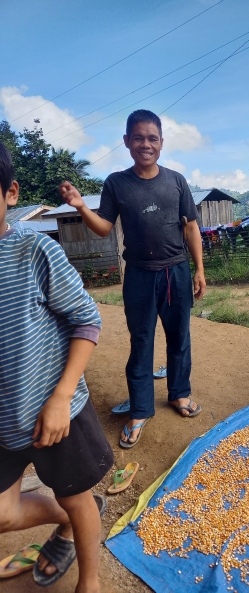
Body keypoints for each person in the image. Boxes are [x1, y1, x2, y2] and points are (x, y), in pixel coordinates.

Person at [0, 142, 114, 592]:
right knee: (3, 514)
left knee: (76, 497)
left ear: (10, 193)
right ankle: (64, 518)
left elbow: (87, 320)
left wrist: (62, 397)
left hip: (54, 411)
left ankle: (91, 581)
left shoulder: (34, 251)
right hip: (2, 422)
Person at [59, 109, 206, 449]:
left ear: (162, 142)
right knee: (141, 341)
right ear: (126, 141)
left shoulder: (176, 181)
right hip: (139, 274)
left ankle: (179, 393)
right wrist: (81, 207)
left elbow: (191, 228)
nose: (145, 144)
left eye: (152, 138)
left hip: (176, 272)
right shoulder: (116, 183)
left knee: (179, 337)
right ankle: (140, 410)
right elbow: (103, 229)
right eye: (138, 138)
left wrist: (199, 269)